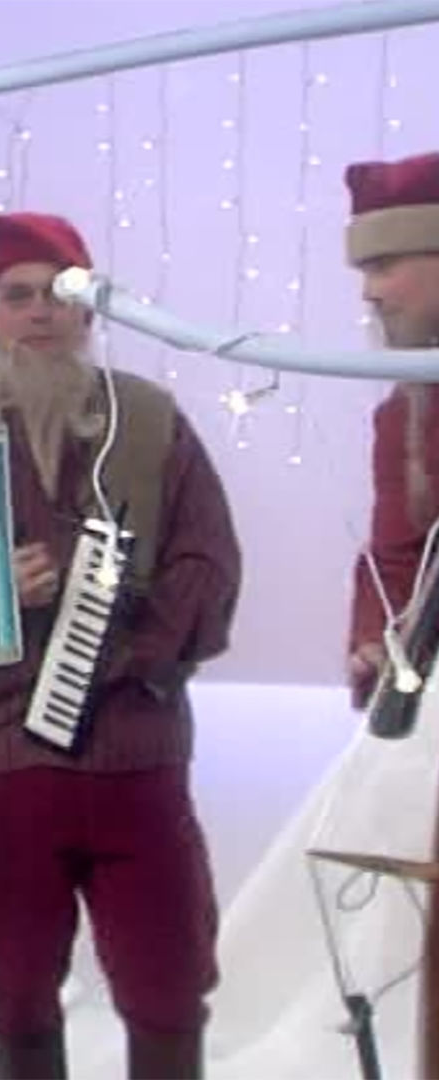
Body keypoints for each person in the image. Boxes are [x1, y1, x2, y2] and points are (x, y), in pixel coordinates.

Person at [0, 212, 242, 1079]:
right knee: (9, 978)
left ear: (88, 312)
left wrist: (121, 644)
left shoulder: (150, 420)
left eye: (58, 296)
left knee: (168, 977)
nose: (39, 313)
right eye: (17, 296)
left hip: (133, 748)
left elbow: (207, 563)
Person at [340, 150, 439, 1076]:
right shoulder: (400, 414)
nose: (369, 292)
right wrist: (374, 643)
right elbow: (393, 556)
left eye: (384, 265)